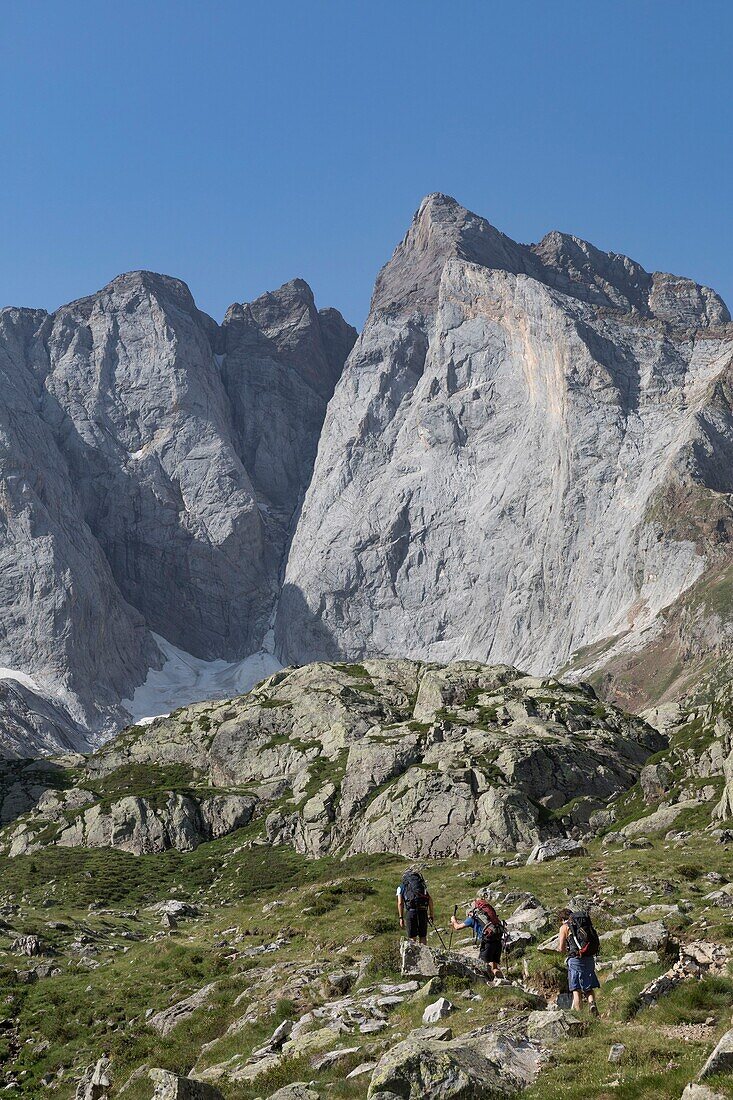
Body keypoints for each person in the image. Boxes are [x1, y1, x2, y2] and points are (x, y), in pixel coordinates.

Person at [558, 906, 600, 1015]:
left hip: (575, 959)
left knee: (576, 989)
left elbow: (561, 949)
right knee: (588, 987)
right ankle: (592, 1003)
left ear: (562, 919)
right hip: (589, 957)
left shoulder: (564, 927)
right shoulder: (581, 924)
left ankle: (580, 1015)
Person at [451, 898, 504, 980]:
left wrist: (453, 920)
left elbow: (457, 927)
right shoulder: (489, 915)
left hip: (487, 943)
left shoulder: (472, 918)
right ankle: (502, 982)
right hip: (497, 940)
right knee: (494, 967)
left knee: (483, 967)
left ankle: (489, 984)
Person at [397, 866, 434, 944]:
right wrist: (431, 915)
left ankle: (413, 955)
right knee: (423, 936)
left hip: (411, 912)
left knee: (412, 937)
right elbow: (430, 900)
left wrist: (401, 918)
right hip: (423, 910)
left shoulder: (402, 886)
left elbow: (400, 903)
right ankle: (424, 955)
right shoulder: (421, 885)